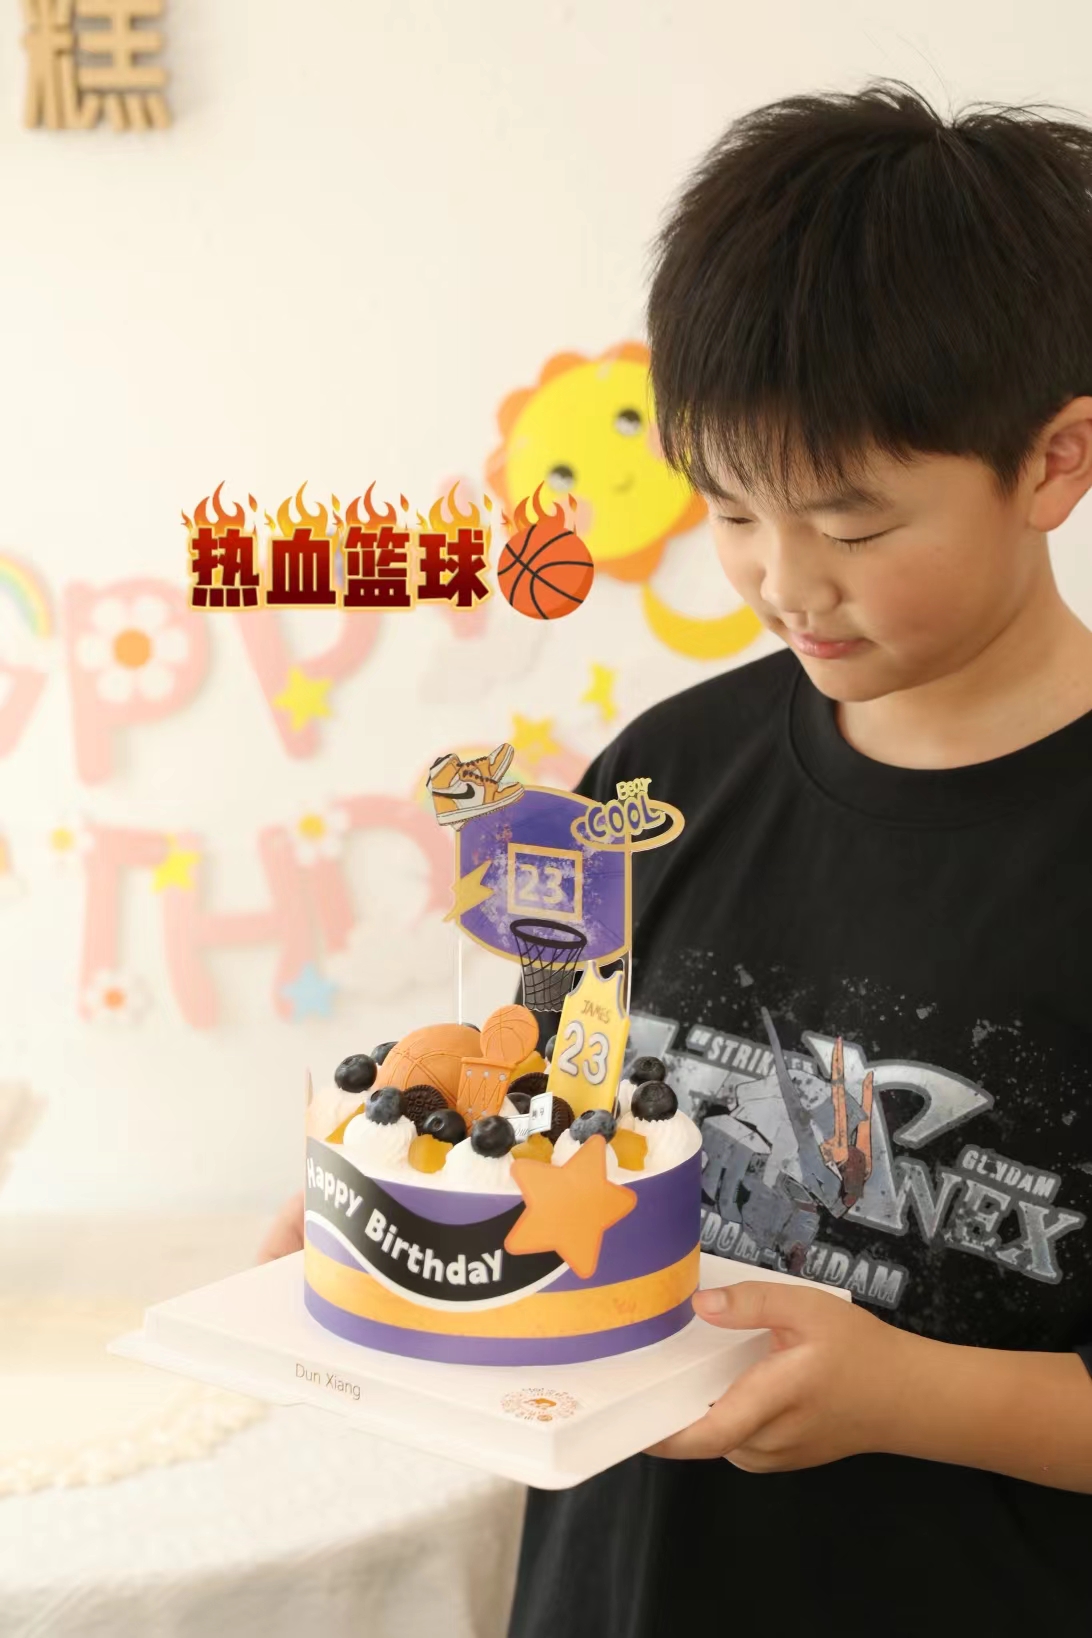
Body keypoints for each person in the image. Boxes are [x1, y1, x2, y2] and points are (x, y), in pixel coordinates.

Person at [259, 80, 1092, 1635]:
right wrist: (389, 1217)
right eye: (732, 509)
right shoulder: (665, 776)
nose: (784, 582)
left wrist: (914, 1395)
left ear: (1054, 461)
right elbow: (534, 1105)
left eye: (853, 524)